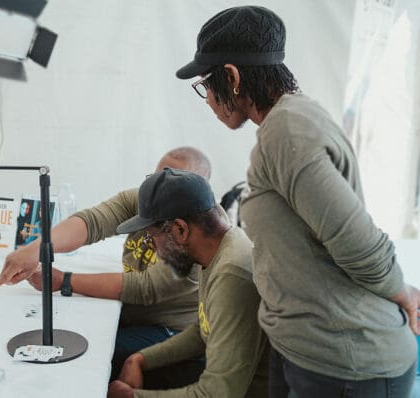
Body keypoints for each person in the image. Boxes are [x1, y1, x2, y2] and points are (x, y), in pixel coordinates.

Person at [175, 5, 419, 397]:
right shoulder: (285, 125)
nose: (206, 98)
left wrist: (405, 294)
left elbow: (358, 241)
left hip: (345, 364)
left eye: (206, 83)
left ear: (233, 77)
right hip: (304, 351)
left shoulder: (287, 132)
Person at [0, 147, 213, 383]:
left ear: (199, 189)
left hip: (172, 330)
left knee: (92, 354)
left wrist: (63, 280)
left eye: (173, 186)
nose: (161, 191)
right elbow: (94, 221)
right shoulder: (148, 200)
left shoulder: (199, 232)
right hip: (133, 312)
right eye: (157, 180)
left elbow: (144, 287)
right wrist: (36, 248)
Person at [107, 168, 268, 398]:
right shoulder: (215, 250)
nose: (152, 247)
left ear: (180, 230)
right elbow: (203, 330)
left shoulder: (231, 275)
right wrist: (141, 359)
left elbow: (216, 394)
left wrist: (132, 397)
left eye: (153, 237)